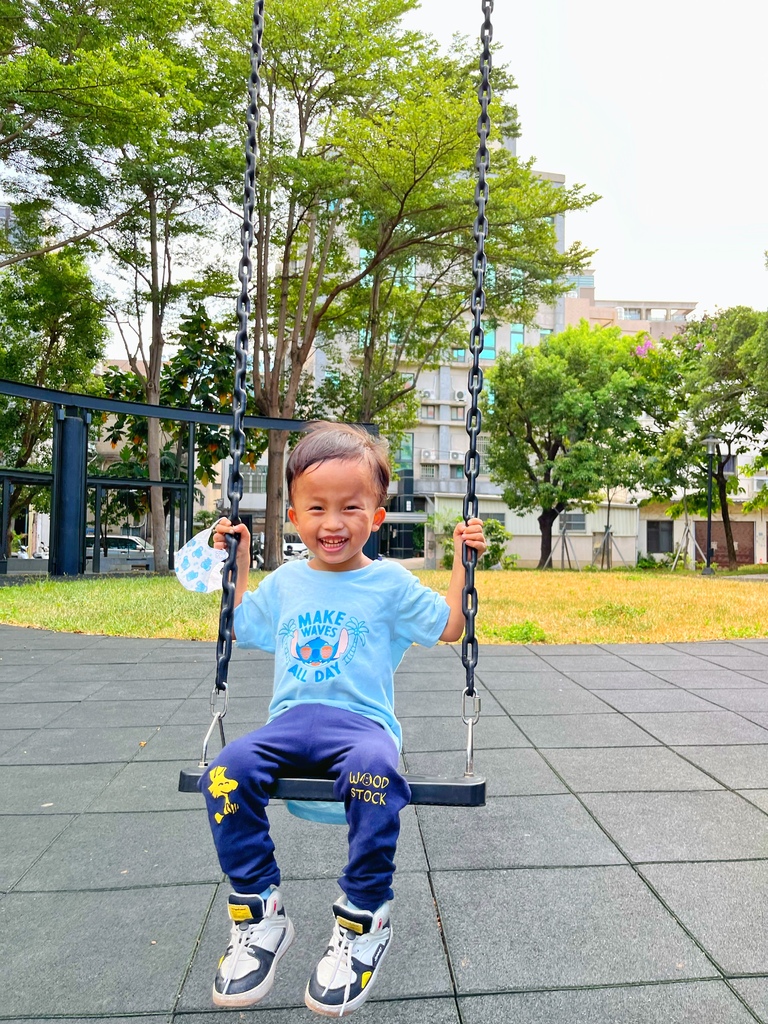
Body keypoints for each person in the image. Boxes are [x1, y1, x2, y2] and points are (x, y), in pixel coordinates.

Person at [203, 421, 487, 1016]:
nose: (333, 523)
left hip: (361, 727)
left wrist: (464, 561)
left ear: (377, 516)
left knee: (377, 773)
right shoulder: (287, 581)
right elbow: (240, 624)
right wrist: (239, 563)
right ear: (296, 515)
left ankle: (364, 919)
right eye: (317, 508)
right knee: (225, 770)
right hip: (288, 723)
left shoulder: (387, 583)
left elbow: (452, 628)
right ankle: (259, 912)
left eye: (351, 507)